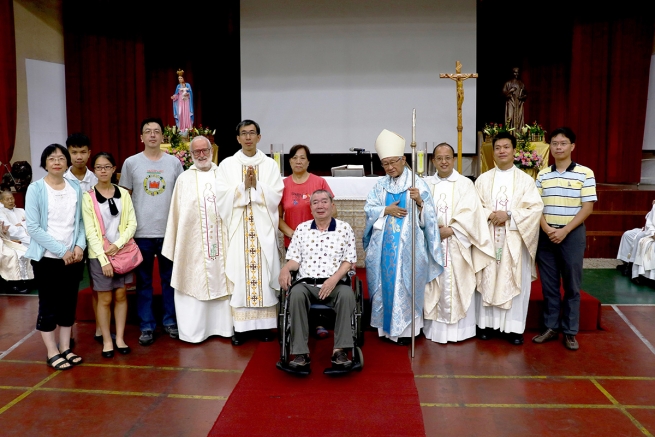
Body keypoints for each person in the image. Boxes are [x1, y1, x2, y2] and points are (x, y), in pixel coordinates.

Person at [363, 129, 443, 345]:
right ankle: (386, 330)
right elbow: (369, 209)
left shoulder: (417, 184)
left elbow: (430, 218)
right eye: (385, 163)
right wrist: (385, 210)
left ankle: (408, 331)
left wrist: (420, 202)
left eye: (393, 162)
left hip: (409, 249)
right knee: (385, 284)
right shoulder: (380, 186)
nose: (390, 167)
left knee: (406, 284)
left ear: (403, 159)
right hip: (383, 248)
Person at [216, 120, 284, 346]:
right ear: (237, 138)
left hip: (262, 228)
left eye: (252, 133)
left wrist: (256, 187)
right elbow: (221, 197)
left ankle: (265, 326)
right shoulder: (227, 165)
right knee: (241, 274)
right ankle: (241, 327)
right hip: (238, 228)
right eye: (243, 134)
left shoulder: (270, 165)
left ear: (259, 137)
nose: (247, 137)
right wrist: (241, 186)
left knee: (263, 275)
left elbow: (276, 195)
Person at [474, 132, 543, 345]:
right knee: (488, 279)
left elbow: (535, 209)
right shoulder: (483, 180)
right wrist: (489, 215)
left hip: (514, 241)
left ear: (514, 151)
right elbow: (474, 208)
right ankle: (485, 325)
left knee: (513, 278)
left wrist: (509, 215)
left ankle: (513, 329)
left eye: (506, 147)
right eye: (497, 148)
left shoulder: (525, 180)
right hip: (488, 240)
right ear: (492, 152)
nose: (502, 151)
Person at [162, 136, 233, 343]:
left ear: (212, 151)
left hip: (222, 245)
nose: (201, 155)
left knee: (223, 280)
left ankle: (224, 328)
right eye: (196, 152)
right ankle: (194, 332)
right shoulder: (184, 179)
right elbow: (176, 215)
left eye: (205, 150)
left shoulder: (224, 175)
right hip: (192, 247)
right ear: (191, 155)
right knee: (193, 281)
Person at [120, 117, 184, 346]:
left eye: (157, 131)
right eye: (148, 131)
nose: (153, 135)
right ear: (141, 137)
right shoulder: (131, 163)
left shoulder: (174, 163)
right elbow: (124, 197)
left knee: (169, 280)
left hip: (168, 232)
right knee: (144, 282)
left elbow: (181, 196)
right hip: (141, 233)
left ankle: (170, 322)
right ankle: (146, 326)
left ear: (163, 136)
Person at [423, 143, 495, 344]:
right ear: (433, 161)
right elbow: (420, 211)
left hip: (457, 243)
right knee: (434, 283)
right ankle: (434, 330)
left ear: (454, 159)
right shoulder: (427, 185)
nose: (444, 162)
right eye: (439, 158)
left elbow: (472, 213)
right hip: (434, 243)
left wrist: (452, 229)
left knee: (459, 281)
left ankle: (460, 331)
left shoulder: (465, 184)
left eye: (448, 157)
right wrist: (432, 229)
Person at [279, 190, 357, 370]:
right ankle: (300, 353)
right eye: (315, 203)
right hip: (306, 283)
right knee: (296, 294)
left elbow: (348, 261)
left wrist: (333, 280)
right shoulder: (302, 229)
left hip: (335, 284)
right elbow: (294, 260)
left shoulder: (344, 229)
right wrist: (285, 268)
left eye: (324, 202)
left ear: (332, 205)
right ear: (311, 208)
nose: (320, 206)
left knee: (346, 295)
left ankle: (340, 351)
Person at [534, 127, 596, 351]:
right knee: (549, 285)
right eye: (554, 143)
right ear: (549, 147)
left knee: (571, 286)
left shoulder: (585, 173)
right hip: (546, 234)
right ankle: (551, 327)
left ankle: (570, 331)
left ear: (572, 146)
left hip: (571, 234)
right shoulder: (542, 174)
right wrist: (547, 228)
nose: (558, 147)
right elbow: (536, 206)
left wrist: (565, 230)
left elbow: (587, 207)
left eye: (563, 143)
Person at [25, 144, 86, 370]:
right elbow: (33, 227)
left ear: (67, 162)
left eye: (61, 158)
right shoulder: (36, 189)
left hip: (73, 258)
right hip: (48, 259)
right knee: (49, 304)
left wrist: (79, 246)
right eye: (52, 158)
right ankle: (52, 351)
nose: (57, 162)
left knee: (69, 304)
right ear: (45, 163)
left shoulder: (74, 186)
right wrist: (62, 252)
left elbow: (80, 221)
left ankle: (65, 348)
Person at [82, 152, 137, 358]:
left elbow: (132, 223)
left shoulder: (123, 194)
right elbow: (90, 232)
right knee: (104, 299)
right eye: (98, 167)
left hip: (122, 252)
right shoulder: (88, 198)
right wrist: (104, 258)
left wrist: (118, 245)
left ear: (114, 169)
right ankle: (106, 340)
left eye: (107, 167)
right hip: (100, 255)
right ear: (94, 170)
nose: (103, 171)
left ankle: (120, 337)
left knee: (121, 295)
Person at [278, 144, 335, 338]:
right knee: (298, 283)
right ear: (290, 161)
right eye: (294, 157)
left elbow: (332, 210)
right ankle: (299, 322)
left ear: (308, 161)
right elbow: (277, 217)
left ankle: (320, 320)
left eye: (302, 158)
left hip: (321, 242)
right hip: (293, 243)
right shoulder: (283, 185)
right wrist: (296, 235)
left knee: (317, 281)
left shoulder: (318, 182)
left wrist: (315, 234)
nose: (298, 161)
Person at [64, 133, 98, 343]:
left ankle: (100, 329)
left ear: (89, 153)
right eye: (74, 152)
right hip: (72, 242)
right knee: (69, 288)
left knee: (98, 285)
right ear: (68, 153)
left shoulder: (96, 178)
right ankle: (70, 331)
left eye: (83, 152)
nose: (79, 156)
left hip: (94, 241)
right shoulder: (61, 180)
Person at [0, 191, 33, 293]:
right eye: (7, 199)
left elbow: (32, 222)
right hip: (11, 239)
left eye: (12, 198)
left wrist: (21, 225)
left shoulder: (21, 210)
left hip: (28, 236)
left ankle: (29, 280)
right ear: (1, 201)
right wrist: (23, 225)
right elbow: (11, 229)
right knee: (17, 254)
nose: (10, 201)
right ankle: (16, 283)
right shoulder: (1, 212)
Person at [617, 200, 655, 277]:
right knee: (627, 235)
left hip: (651, 233)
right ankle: (626, 262)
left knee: (639, 238)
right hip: (649, 230)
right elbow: (649, 220)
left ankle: (632, 266)